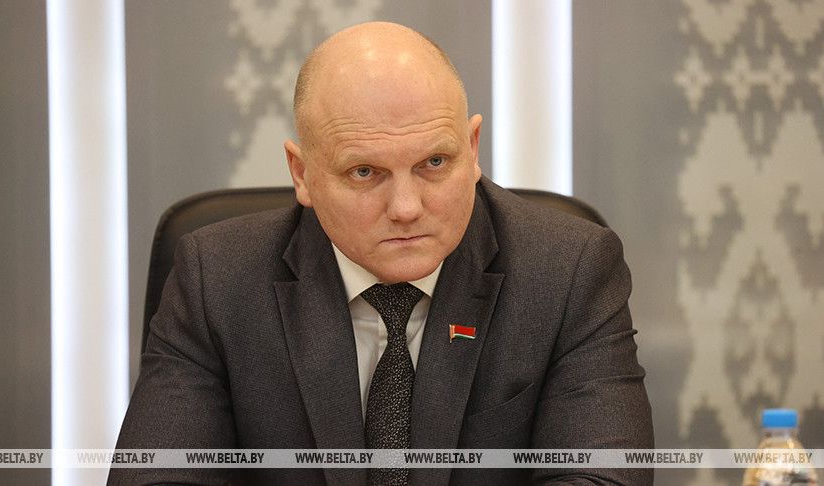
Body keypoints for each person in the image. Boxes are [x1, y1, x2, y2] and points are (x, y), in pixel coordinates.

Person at [111, 21, 653, 486]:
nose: (406, 207)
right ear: (302, 173)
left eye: (434, 163)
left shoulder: (569, 271)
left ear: (472, 149)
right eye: (365, 172)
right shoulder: (216, 279)